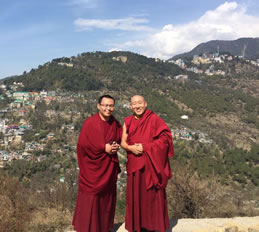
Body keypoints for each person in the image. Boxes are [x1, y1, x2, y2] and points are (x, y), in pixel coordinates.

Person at [121, 95, 174, 232]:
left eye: (140, 103)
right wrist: (131, 148)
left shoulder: (154, 119)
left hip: (151, 165)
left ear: (145, 104)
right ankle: (137, 226)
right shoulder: (127, 121)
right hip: (135, 164)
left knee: (151, 198)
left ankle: (153, 225)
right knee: (136, 197)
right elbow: (123, 142)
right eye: (134, 104)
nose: (137, 106)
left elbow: (165, 140)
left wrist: (146, 147)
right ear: (130, 106)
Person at [73, 94, 122, 232]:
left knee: (107, 199)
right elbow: (82, 145)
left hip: (108, 168)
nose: (108, 108)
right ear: (98, 106)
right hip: (93, 170)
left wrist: (115, 146)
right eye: (105, 105)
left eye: (111, 106)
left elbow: (118, 139)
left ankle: (104, 226)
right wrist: (103, 147)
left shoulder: (115, 123)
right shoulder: (90, 123)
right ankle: (87, 228)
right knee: (91, 198)